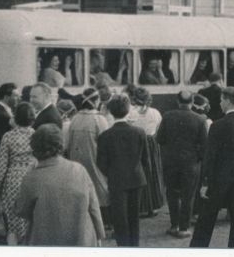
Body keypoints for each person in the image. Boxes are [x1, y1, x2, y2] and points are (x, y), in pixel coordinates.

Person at [190, 87, 234, 248]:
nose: (220, 103)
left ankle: (198, 249)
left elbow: (210, 157)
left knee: (207, 219)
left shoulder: (217, 125)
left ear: (228, 101)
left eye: (222, 100)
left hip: (219, 179)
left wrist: (205, 183)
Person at [16, 124, 105, 246]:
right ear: (60, 144)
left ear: (35, 148)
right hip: (82, 239)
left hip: (46, 241)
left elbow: (21, 210)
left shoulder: (31, 177)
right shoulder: (79, 170)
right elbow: (93, 206)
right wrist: (99, 235)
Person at [97, 93, 149, 247]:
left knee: (120, 220)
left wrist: (112, 173)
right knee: (134, 218)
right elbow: (145, 160)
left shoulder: (105, 136)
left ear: (111, 112)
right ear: (128, 111)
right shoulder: (139, 132)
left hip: (116, 181)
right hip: (136, 178)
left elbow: (101, 163)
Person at [157, 89, 208, 238]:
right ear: (192, 102)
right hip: (191, 163)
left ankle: (174, 225)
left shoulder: (167, 116)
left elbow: (160, 139)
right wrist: (197, 158)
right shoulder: (200, 119)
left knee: (172, 193)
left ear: (177, 102)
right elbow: (204, 145)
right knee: (188, 195)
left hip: (171, 161)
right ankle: (184, 228)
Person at [66, 88, 111, 228]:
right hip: (95, 160)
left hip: (77, 161)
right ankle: (105, 221)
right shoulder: (100, 119)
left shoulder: (75, 119)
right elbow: (105, 144)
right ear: (96, 101)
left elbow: (69, 143)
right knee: (100, 187)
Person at [0, 102, 37, 245]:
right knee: (29, 222)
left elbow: (2, 164)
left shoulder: (8, 137)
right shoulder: (36, 135)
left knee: (13, 225)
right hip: (31, 178)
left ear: (16, 118)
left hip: (12, 180)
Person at [128, 87, 164, 218]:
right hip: (151, 144)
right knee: (153, 173)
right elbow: (159, 128)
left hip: (135, 143)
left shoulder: (131, 113)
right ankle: (153, 207)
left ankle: (139, 206)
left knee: (138, 173)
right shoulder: (155, 112)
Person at [0, 83, 20, 185]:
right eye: (15, 96)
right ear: (6, 97)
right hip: (1, 156)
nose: (18, 98)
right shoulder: (2, 115)